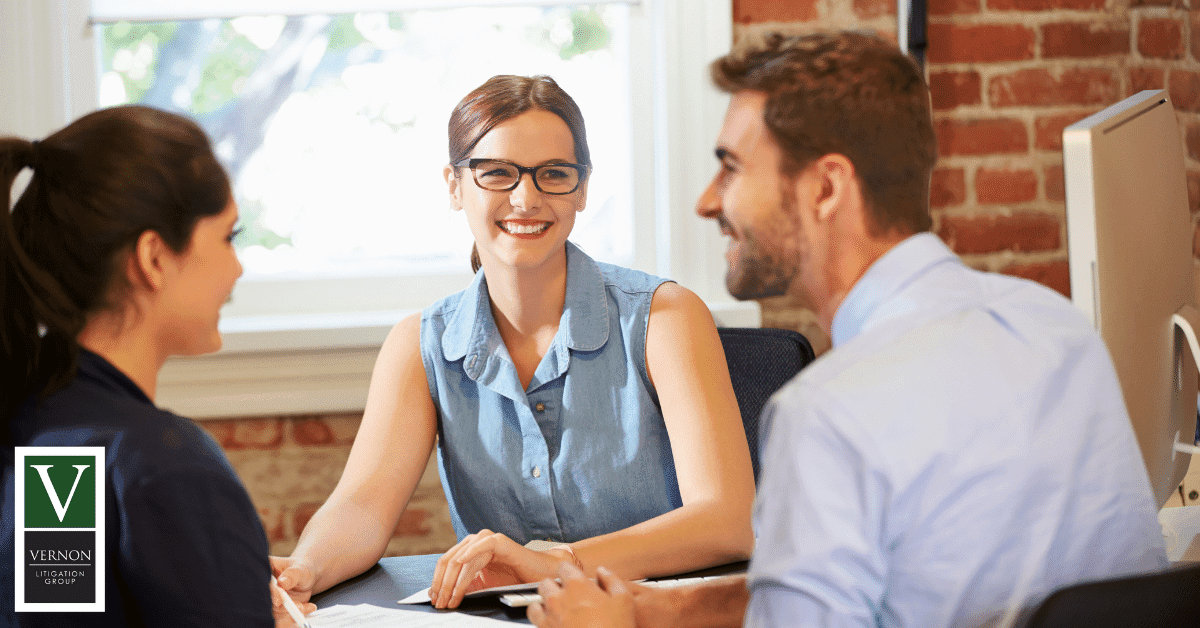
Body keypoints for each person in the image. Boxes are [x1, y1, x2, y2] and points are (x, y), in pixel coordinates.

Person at [527, 31, 1168, 628]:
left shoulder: (827, 415)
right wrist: (662, 611)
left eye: (732, 167)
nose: (707, 200)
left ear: (827, 187)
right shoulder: (1057, 327)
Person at [272, 75, 755, 611]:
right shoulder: (420, 344)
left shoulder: (665, 317)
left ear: (582, 190)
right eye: (497, 173)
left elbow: (728, 521)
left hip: (654, 617)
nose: (526, 198)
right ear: (455, 187)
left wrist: (559, 563)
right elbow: (361, 506)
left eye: (553, 174)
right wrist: (305, 569)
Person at [0, 105, 279, 627]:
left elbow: (59, 611)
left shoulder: (49, 435)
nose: (237, 267)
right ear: (153, 258)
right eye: (227, 238)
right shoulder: (164, 464)